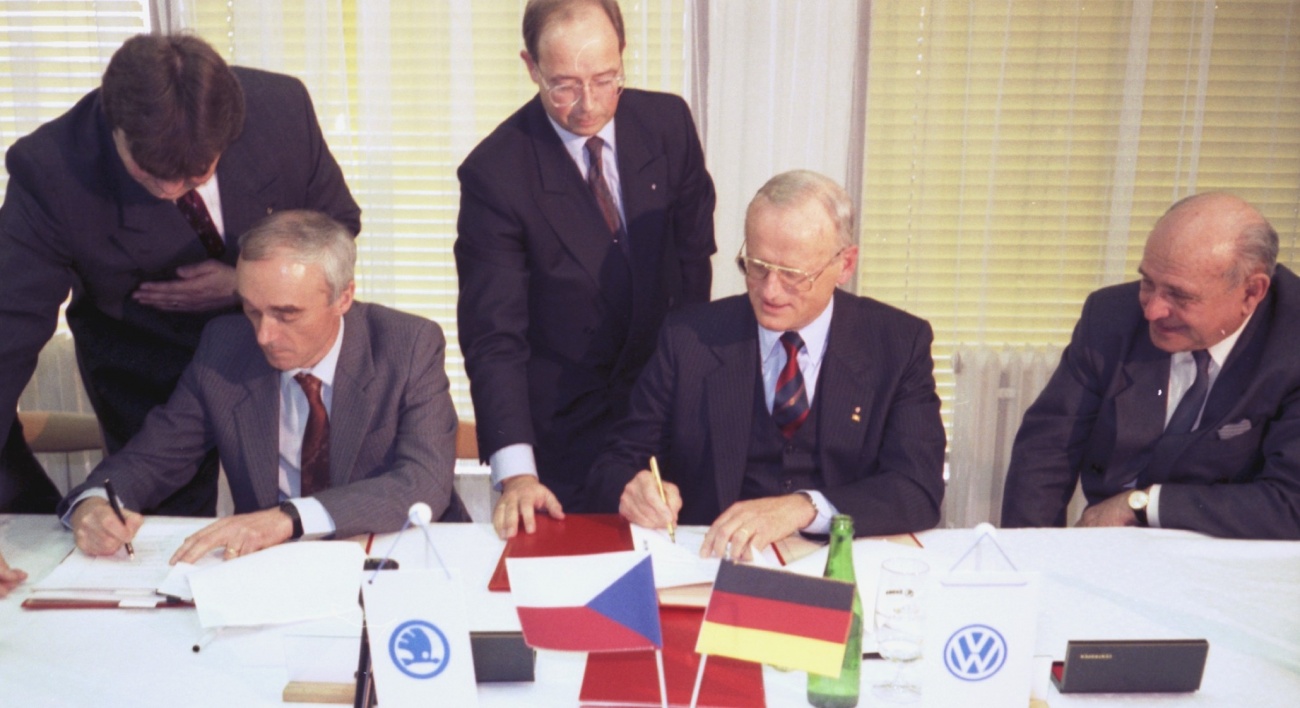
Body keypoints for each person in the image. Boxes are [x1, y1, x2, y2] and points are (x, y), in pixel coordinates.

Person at [0, 33, 360, 515]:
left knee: (326, 507)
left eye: (193, 178)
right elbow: (8, 332)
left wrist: (240, 283)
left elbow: (336, 226)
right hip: (145, 363)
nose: (171, 190)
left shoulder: (280, 110)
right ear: (115, 126)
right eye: (149, 175)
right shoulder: (52, 169)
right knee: (155, 528)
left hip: (288, 342)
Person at [58, 210, 465, 563]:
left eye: (287, 315)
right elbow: (154, 456)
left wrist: (288, 518)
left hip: (399, 555)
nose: (264, 336)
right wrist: (92, 503)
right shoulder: (225, 347)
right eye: (252, 310)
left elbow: (423, 480)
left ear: (343, 298)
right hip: (275, 569)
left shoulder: (407, 345)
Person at [455, 0, 716, 539]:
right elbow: (494, 338)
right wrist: (518, 474)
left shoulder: (667, 125)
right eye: (565, 86)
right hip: (567, 436)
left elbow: (694, 270)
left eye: (605, 79)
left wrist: (690, 401)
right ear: (531, 67)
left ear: (622, 55)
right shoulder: (496, 173)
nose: (589, 104)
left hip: (667, 416)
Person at [587, 170, 946, 559]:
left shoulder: (897, 344)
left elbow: (918, 489)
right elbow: (615, 463)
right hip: (715, 562)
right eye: (757, 266)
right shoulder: (689, 338)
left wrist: (805, 507)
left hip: (841, 564)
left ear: (845, 265)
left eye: (793, 275)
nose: (770, 291)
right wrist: (632, 489)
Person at [1002, 192, 1300, 540]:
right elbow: (1046, 450)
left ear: (1251, 293)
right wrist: (1030, 553)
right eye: (1148, 282)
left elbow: (1291, 504)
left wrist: (1143, 504)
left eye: (1180, 295)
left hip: (1231, 550)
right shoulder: (1110, 314)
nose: (1152, 310)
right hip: (1113, 543)